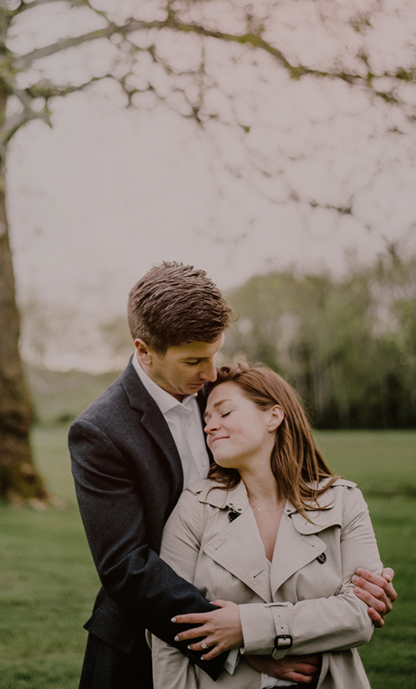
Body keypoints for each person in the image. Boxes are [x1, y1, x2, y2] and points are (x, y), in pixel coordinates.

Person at [68, 262, 395, 689]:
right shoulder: (100, 432)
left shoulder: (223, 395)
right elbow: (127, 567)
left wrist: (359, 580)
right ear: (144, 350)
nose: (209, 372)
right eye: (193, 361)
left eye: (215, 352)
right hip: (142, 644)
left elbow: (287, 477)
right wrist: (244, 643)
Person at [151, 364, 382, 688]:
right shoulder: (195, 507)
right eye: (206, 419)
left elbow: (359, 617)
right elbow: (170, 627)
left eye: (224, 412)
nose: (210, 426)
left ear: (273, 416)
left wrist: (246, 628)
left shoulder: (344, 502)